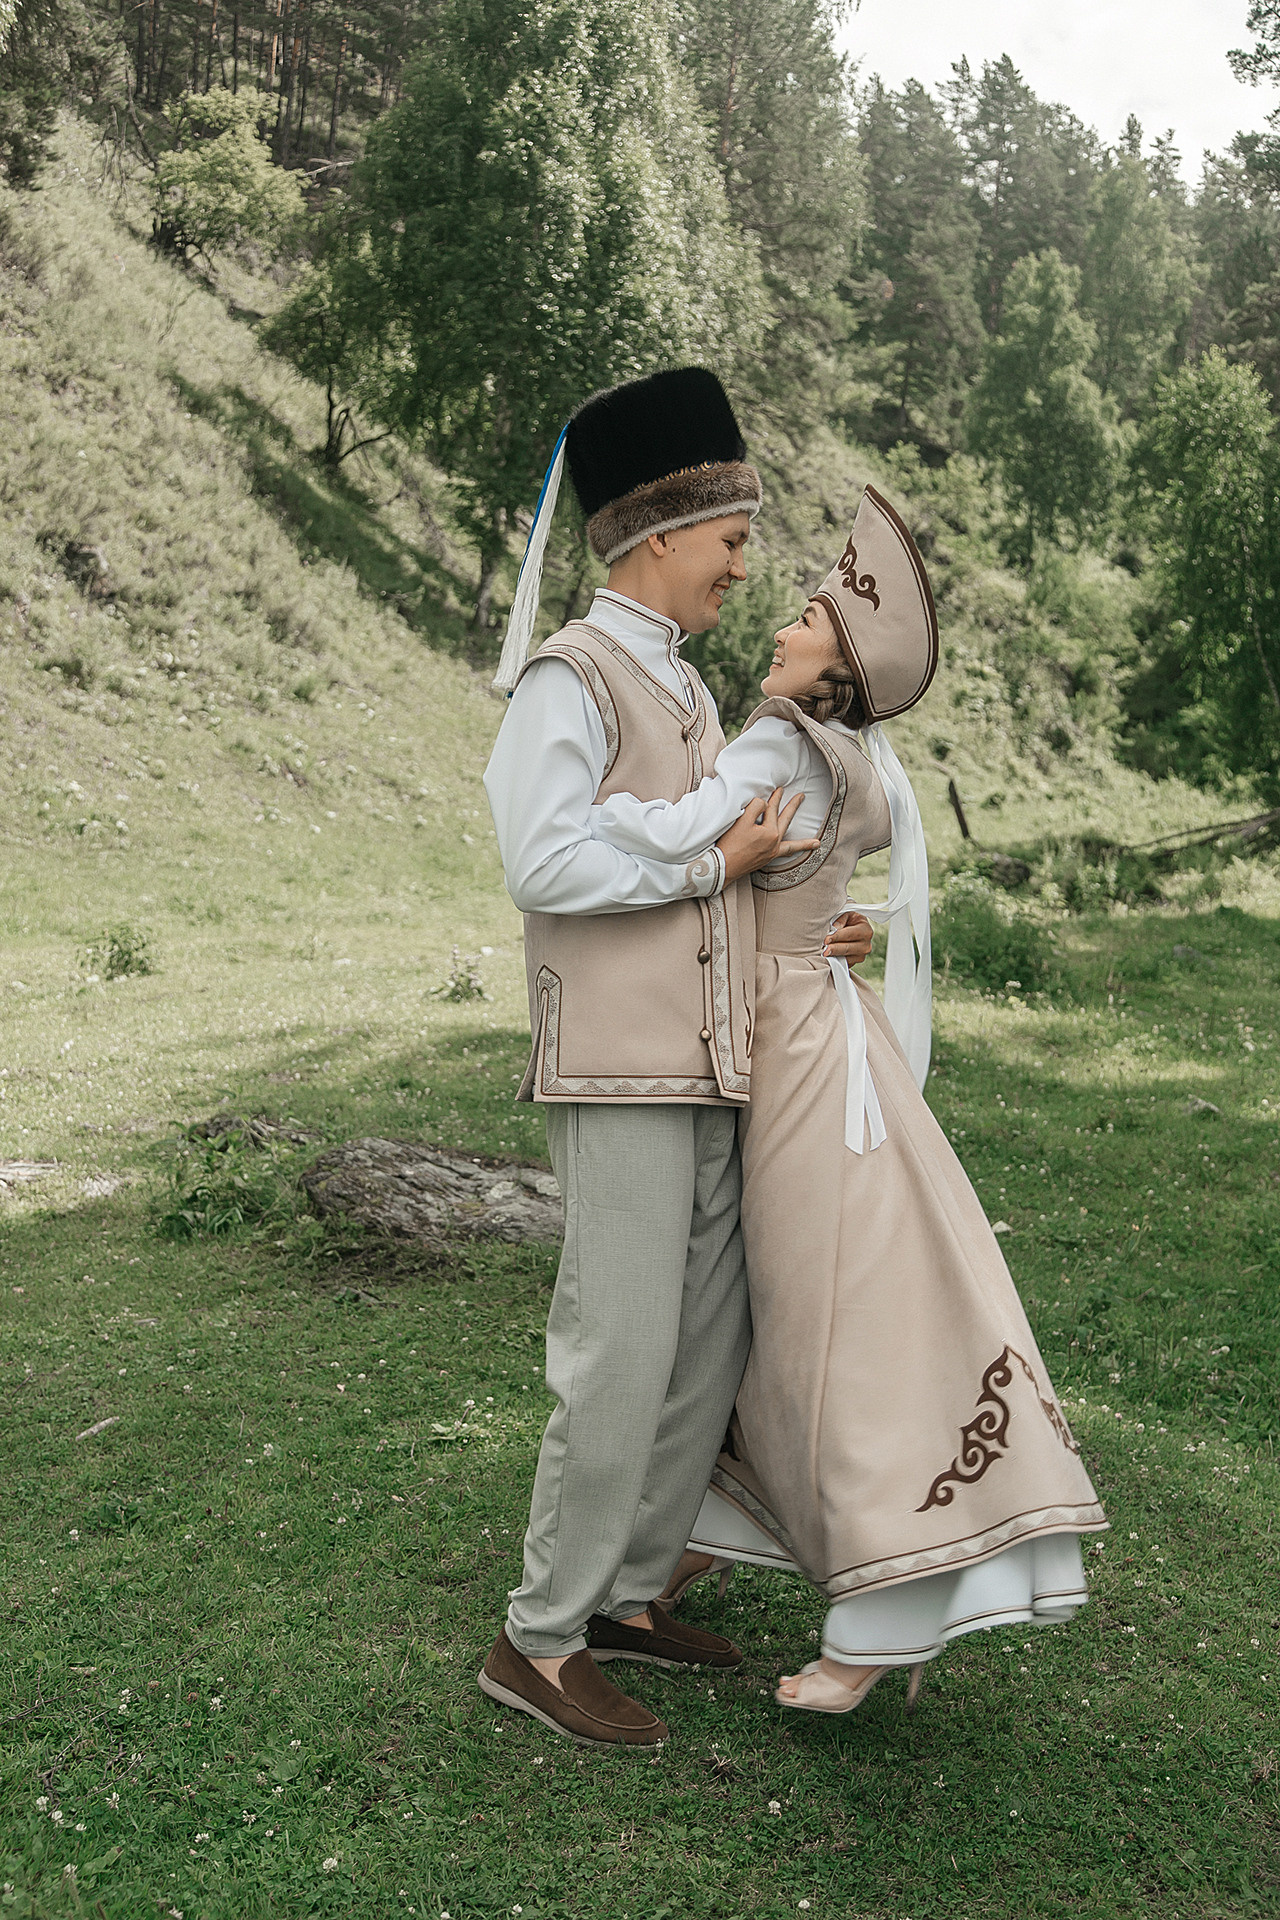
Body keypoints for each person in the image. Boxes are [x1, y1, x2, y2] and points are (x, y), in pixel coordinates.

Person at [587, 483, 1108, 1714]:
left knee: (826, 1319)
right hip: (827, 1039)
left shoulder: (776, 744)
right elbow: (830, 888)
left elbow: (669, 841)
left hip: (791, 1057)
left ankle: (874, 1620)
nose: (785, 620)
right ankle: (683, 1551)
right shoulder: (858, 763)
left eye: (811, 614)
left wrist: (574, 809)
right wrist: (837, 924)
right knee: (770, 1307)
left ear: (841, 662)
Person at [480, 367, 875, 1747]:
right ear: (661, 534)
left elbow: (722, 879)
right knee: (619, 1349)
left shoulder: (690, 691)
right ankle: (537, 1640)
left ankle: (628, 1597)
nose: (740, 567)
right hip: (618, 1066)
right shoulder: (569, 680)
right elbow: (543, 859)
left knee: (702, 1352)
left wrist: (802, 933)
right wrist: (711, 855)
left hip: (710, 1064)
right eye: (731, 541)